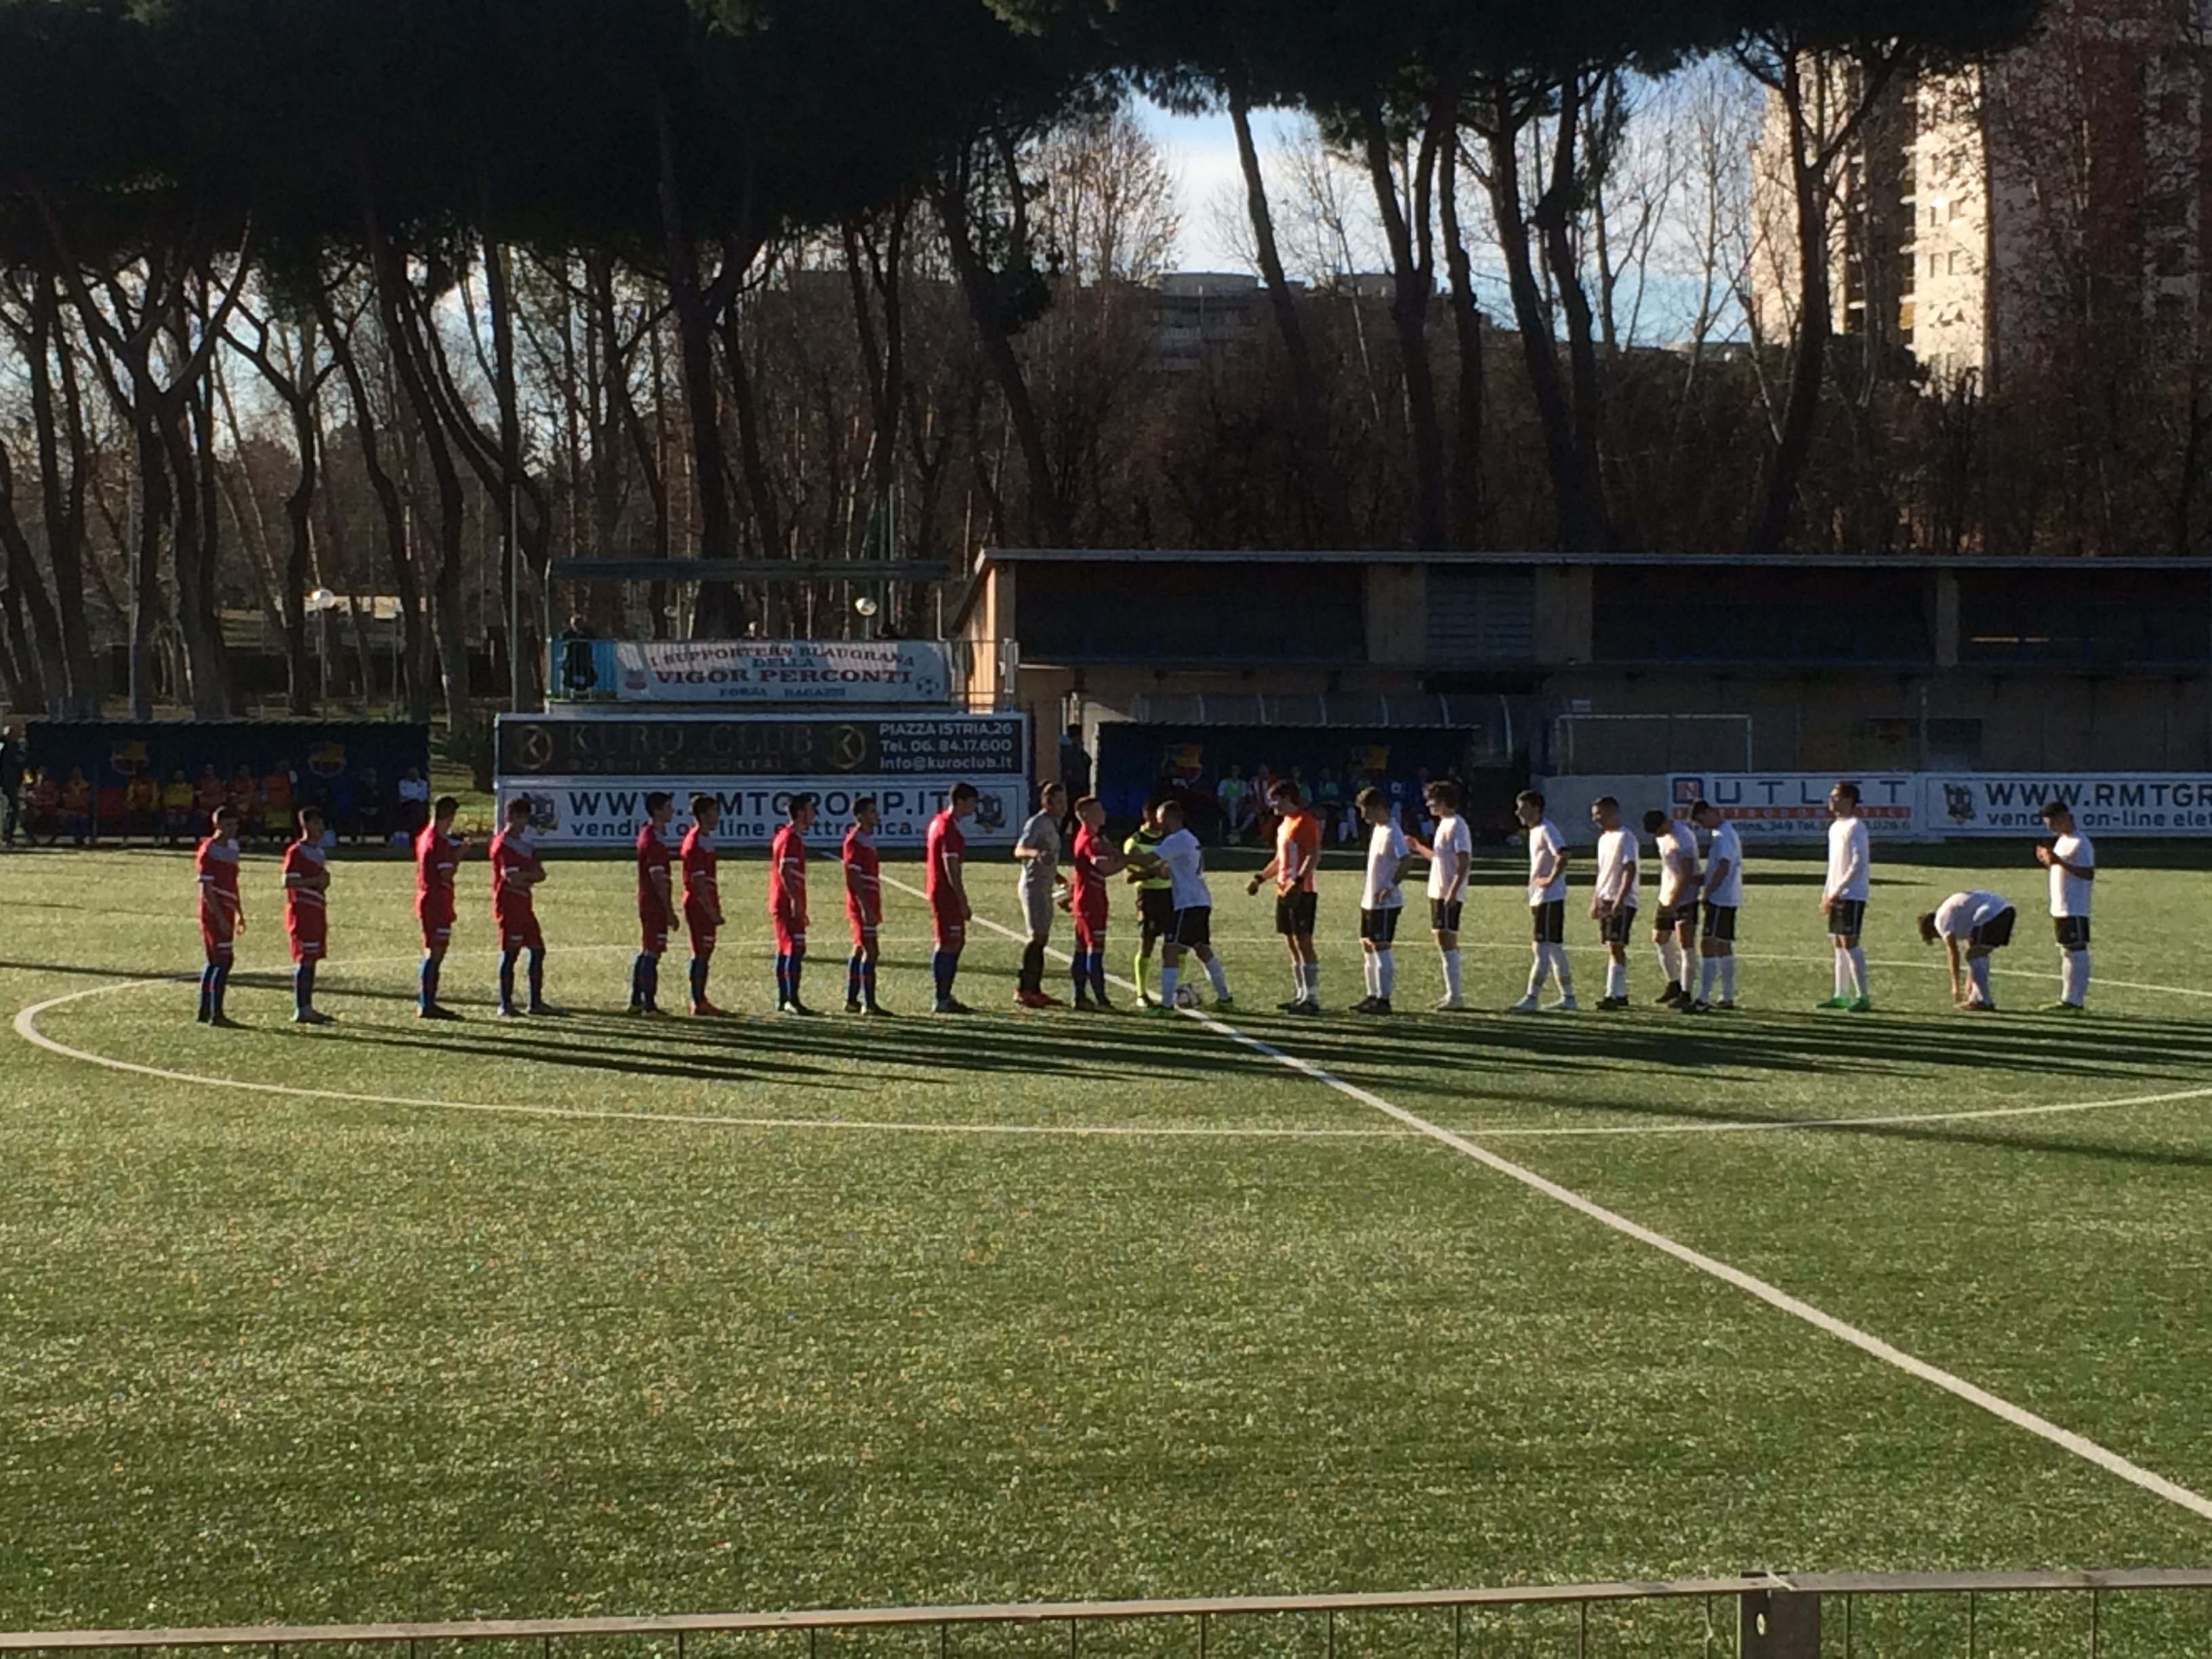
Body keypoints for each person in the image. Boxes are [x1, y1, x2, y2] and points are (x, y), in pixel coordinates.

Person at [1149, 798, 1232, 1013]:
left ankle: (1166, 1005)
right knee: (1202, 949)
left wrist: (1120, 858)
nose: (1159, 826)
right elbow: (1169, 869)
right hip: (1200, 900)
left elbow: (1149, 858)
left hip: (1188, 903)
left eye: (1161, 820)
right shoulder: (1188, 838)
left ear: (1171, 818)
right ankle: (1225, 998)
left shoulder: (1177, 839)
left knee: (1170, 950)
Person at [1247, 779, 1322, 1015]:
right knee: (1291, 943)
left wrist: (1298, 882)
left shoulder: (1305, 822)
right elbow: (1280, 859)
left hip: (1302, 891)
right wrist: (1261, 878)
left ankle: (1312, 997)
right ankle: (1300, 994)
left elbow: (1313, 855)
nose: (1273, 805)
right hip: (1283, 890)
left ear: (1288, 798)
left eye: (1276, 800)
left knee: (1304, 941)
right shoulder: (1283, 825)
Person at [1510, 790, 1576, 1012]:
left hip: (1549, 898)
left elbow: (1563, 854)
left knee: (1542, 948)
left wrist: (1549, 880)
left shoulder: (1547, 828)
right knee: (1555, 948)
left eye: (1522, 807)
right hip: (1542, 899)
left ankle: (1532, 997)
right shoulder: (1536, 831)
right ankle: (1568, 998)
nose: (1517, 812)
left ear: (1534, 808)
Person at [1409, 779, 1471, 1011]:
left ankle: (1455, 995)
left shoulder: (1457, 825)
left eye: (1432, 800)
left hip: (1447, 892)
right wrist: (1417, 847)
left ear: (1443, 801)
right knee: (1442, 938)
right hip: (1438, 891)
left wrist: (1453, 891)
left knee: (1447, 939)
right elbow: (1438, 858)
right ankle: (1451, 992)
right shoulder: (1444, 825)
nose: (1428, 805)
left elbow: (1464, 860)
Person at [490, 796, 554, 1018]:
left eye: (525, 817)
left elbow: (541, 874)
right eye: (518, 817)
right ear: (509, 818)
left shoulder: (526, 846)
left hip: (525, 904)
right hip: (509, 905)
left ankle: (535, 1002)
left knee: (538, 950)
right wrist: (529, 877)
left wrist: (526, 877)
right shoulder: (502, 845)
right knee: (511, 953)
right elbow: (512, 879)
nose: (522, 822)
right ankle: (505, 1003)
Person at [1066, 794, 1128, 1011]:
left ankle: (1080, 996)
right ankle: (1101, 999)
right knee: (1095, 949)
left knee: (1082, 948)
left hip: (1087, 900)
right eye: (1099, 810)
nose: (1104, 813)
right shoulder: (1089, 840)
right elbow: (1104, 868)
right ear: (1085, 815)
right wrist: (1127, 862)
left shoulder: (1094, 838)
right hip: (1091, 902)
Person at [1355, 785, 1414, 1015]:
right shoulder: (1378, 830)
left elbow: (1406, 860)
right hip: (1370, 899)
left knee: (1381, 946)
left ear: (1378, 808)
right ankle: (1372, 994)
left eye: (1366, 811)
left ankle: (1384, 998)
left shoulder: (1392, 831)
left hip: (1386, 902)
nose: (1364, 817)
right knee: (1367, 945)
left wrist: (1390, 886)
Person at [1012, 781, 1069, 1008]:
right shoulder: (1037, 822)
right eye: (1059, 802)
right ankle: (1024, 989)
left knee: (1042, 937)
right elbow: (1019, 850)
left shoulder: (1053, 824)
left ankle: (1034, 988)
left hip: (1045, 885)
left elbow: (1048, 857)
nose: (1064, 806)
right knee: (1037, 936)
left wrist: (1057, 876)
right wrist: (1035, 853)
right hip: (1033, 886)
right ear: (1047, 802)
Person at [1818, 781, 1872, 1012]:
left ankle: (1863, 996)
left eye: (1836, 797)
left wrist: (1838, 891)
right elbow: (1834, 866)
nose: (1832, 801)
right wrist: (1826, 893)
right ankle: (1840, 993)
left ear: (1850, 800)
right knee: (1837, 942)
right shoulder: (1834, 827)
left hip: (1852, 893)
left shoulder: (1856, 826)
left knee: (1850, 942)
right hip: (1837, 893)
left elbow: (1857, 864)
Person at [2036, 799, 2095, 1012]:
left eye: (2052, 822)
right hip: (2060, 906)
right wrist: (2048, 861)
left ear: (2063, 818)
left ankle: (2075, 1000)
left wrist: (2059, 862)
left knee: (2077, 950)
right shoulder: (2062, 841)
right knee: (2067, 951)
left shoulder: (2080, 842)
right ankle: (2067, 998)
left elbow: (2088, 873)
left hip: (2075, 906)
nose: (2049, 828)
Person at [926, 783, 979, 1013]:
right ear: (960, 802)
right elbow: (951, 868)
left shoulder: (940, 822)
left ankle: (945, 995)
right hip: (945, 894)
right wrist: (962, 900)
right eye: (972, 802)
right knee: (949, 942)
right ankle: (942, 998)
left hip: (940, 891)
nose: (975, 807)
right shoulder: (948, 829)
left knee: (954, 941)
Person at [1642, 806, 1701, 1008]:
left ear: (1666, 823)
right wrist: (1666, 899)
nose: (1659, 836)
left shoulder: (1682, 837)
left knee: (1685, 941)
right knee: (1660, 937)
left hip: (1685, 897)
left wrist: (1675, 901)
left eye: (1660, 831)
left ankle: (1686, 991)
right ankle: (1673, 983)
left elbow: (1686, 874)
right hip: (1666, 895)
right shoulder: (1662, 837)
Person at [1921, 889, 2017, 1011]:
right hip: (2005, 910)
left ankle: (1983, 1000)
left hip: (1993, 914)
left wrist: (1955, 985)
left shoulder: (1941, 921)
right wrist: (1970, 980)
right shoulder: (1958, 916)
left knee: (1975, 955)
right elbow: (1971, 943)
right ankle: (1976, 997)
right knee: (1977, 953)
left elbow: (1953, 952)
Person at [282, 805, 334, 1025]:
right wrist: (315, 881)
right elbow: (288, 881)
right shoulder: (297, 851)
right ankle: (301, 1008)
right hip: (302, 911)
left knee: (312, 959)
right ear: (305, 825)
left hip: (317, 909)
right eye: (315, 823)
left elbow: (319, 881)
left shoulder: (319, 852)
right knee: (305, 959)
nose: (320, 828)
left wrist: (325, 882)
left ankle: (308, 1006)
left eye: (321, 823)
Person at [1690, 799, 1743, 1012]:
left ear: (1711, 812)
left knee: (1709, 943)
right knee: (1723, 944)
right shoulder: (1725, 833)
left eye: (1703, 820)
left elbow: (1724, 864)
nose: (1704, 826)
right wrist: (1703, 877)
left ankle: (1703, 998)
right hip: (1729, 897)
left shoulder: (1722, 835)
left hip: (1720, 898)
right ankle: (1727, 995)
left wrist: (1708, 889)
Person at [769, 794, 819, 1016]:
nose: (814, 814)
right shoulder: (791, 839)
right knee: (795, 949)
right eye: (811, 810)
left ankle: (783, 999)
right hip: (786, 902)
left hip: (782, 901)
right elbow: (785, 870)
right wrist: (795, 901)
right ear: (800, 813)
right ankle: (792, 999)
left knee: (784, 949)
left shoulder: (786, 836)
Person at [194, 805, 245, 1025]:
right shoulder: (208, 851)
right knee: (223, 961)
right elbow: (206, 890)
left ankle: (205, 1011)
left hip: (227, 909)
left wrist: (239, 912)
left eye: (235, 825)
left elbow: (233, 884)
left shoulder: (233, 847)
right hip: (214, 911)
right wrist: (221, 918)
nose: (232, 829)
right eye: (227, 825)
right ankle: (217, 1013)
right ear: (217, 825)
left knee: (215, 960)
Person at [414, 794, 464, 1019]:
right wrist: (459, 856)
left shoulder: (425, 836)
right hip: (436, 900)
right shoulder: (439, 842)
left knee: (433, 950)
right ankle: (427, 1003)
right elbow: (446, 872)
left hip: (429, 897)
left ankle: (426, 1000)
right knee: (436, 951)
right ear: (449, 816)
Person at [1124, 799, 1176, 1008]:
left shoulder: (1171, 839)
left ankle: (1175, 991)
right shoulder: (1134, 841)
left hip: (1172, 896)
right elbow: (1129, 877)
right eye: (1159, 816)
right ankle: (1141, 993)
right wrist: (1153, 872)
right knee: (1147, 945)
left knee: (1175, 947)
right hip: (1148, 897)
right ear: (1148, 815)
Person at [631, 792, 678, 1015]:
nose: (673, 811)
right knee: (652, 952)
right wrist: (669, 910)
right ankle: (648, 1004)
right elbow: (658, 878)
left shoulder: (650, 835)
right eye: (669, 807)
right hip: (653, 903)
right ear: (657, 810)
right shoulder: (653, 841)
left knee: (648, 949)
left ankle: (637, 1001)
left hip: (648, 901)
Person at [1589, 796, 1639, 1011]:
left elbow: (1630, 869)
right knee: (1611, 945)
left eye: (1599, 813)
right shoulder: (1603, 839)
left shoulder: (1625, 837)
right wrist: (1596, 898)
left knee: (1615, 945)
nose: (1595, 818)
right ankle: (1619, 993)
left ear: (1611, 811)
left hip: (1621, 899)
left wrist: (1620, 898)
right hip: (1606, 897)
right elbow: (1602, 872)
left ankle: (1612, 993)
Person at [842, 796, 889, 1015]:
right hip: (862, 905)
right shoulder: (856, 841)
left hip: (868, 902)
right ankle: (868, 1003)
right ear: (860, 816)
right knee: (871, 951)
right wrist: (864, 907)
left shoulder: (867, 840)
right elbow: (852, 877)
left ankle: (852, 1000)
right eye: (871, 811)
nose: (876, 815)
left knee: (860, 948)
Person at [684, 794, 729, 1017]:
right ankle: (698, 1001)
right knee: (700, 950)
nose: (717, 816)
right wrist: (710, 910)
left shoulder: (705, 838)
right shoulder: (696, 842)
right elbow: (698, 881)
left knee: (705, 950)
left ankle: (701, 999)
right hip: (699, 904)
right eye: (714, 812)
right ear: (703, 815)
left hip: (706, 901)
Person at [228, 765, 262, 844]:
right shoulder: (234, 783)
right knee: (237, 818)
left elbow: (257, 797)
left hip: (252, 808)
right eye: (242, 770)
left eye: (246, 770)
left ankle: (254, 839)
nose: (245, 772)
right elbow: (233, 800)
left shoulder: (254, 782)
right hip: (237, 809)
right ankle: (236, 839)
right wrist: (246, 797)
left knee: (257, 818)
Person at [123, 771, 158, 844]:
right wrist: (130, 803)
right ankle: (125, 839)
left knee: (156, 815)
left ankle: (156, 838)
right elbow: (130, 796)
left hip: (148, 805)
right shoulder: (134, 783)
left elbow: (155, 795)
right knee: (127, 815)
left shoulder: (152, 783)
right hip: (136, 805)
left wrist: (153, 803)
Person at [160, 770, 194, 846]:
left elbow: (189, 799)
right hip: (172, 808)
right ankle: (172, 839)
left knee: (183, 818)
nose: (179, 777)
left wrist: (179, 802)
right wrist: (176, 803)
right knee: (171, 816)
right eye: (177, 775)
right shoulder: (170, 787)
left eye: (181, 775)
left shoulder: (189, 787)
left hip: (185, 808)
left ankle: (178, 837)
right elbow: (167, 799)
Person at [1216, 766, 1250, 842]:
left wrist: (1239, 806)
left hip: (1239, 808)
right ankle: (1233, 827)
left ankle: (1240, 830)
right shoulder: (1224, 783)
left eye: (1237, 770)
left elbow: (1243, 799)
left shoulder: (1243, 784)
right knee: (1233, 800)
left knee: (1253, 813)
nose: (1235, 772)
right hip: (1225, 808)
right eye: (1233, 770)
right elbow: (1219, 799)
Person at [396, 766, 432, 837]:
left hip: (419, 805)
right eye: (411, 774)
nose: (413, 775)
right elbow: (404, 796)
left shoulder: (423, 784)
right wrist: (415, 796)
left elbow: (423, 796)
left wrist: (412, 796)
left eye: (415, 773)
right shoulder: (403, 783)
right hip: (406, 805)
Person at [61, 766, 92, 844]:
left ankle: (83, 836)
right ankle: (76, 836)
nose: (76, 775)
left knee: (83, 818)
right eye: (75, 773)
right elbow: (64, 797)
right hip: (71, 808)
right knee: (73, 817)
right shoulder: (68, 786)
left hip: (83, 808)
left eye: (78, 773)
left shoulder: (86, 785)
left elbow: (89, 797)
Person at [0, 729, 20, 847]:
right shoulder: (12, 747)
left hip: (5, 779)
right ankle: (8, 836)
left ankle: (7, 836)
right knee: (13, 807)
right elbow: (18, 762)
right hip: (8, 780)